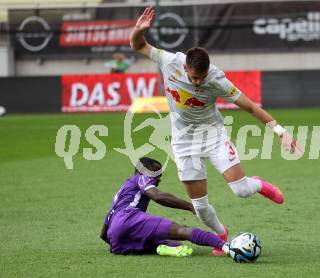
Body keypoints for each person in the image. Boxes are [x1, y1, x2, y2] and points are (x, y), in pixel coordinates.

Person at [129, 7, 301, 256]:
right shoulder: (169, 62)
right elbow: (138, 46)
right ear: (186, 68)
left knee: (241, 190)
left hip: (213, 136)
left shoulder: (217, 80)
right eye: (195, 77)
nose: (199, 82)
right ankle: (221, 234)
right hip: (184, 143)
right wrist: (138, 30)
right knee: (200, 208)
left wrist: (280, 131)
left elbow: (251, 106)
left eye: (203, 77)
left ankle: (260, 185)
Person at [100, 157, 230, 257]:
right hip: (129, 217)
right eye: (156, 174)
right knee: (181, 231)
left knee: (170, 243)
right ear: (144, 171)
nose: (158, 179)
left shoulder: (120, 193)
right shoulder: (141, 178)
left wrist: (117, 242)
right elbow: (158, 196)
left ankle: (161, 247)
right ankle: (226, 247)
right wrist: (191, 207)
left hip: (116, 238)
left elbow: (103, 235)